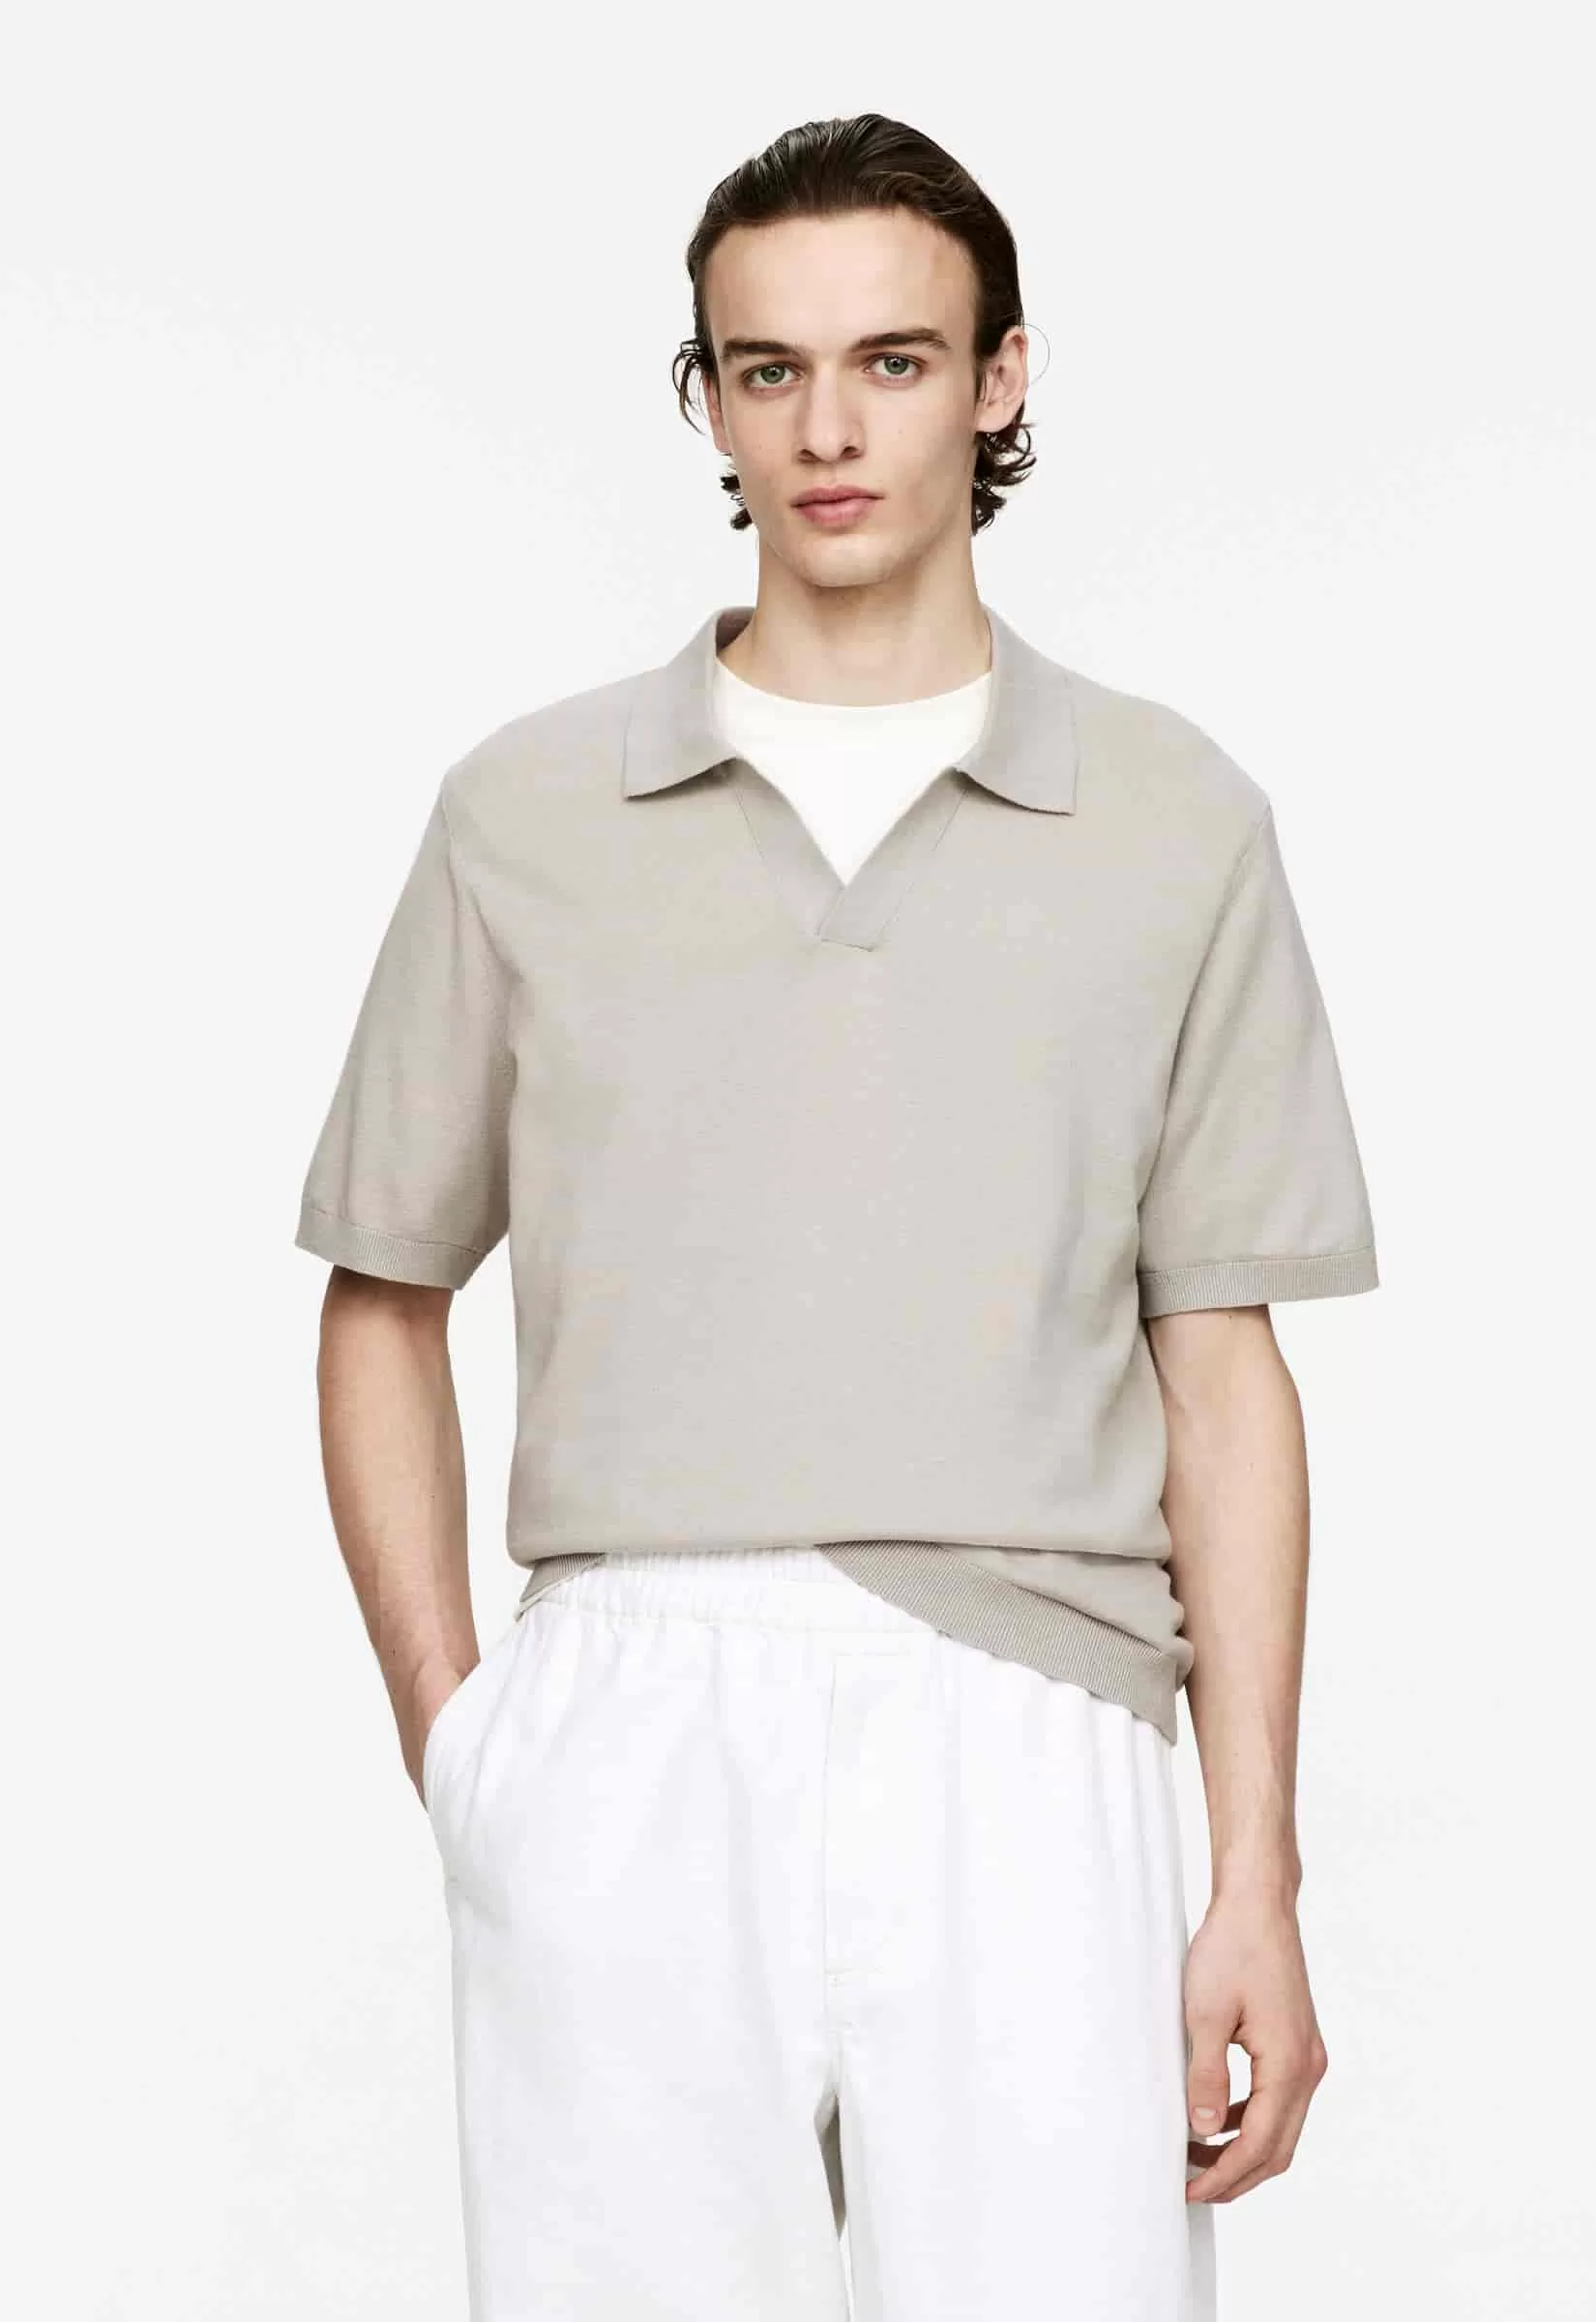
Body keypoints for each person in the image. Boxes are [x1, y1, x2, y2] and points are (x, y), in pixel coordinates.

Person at [294, 111, 1379, 2322]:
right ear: (706, 396)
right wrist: (464, 1744)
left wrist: (1253, 1865)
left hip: (1034, 1713)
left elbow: (1222, 1361)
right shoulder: (527, 812)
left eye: (893, 360)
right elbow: (380, 1293)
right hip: (628, 1710)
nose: (828, 427)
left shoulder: (1173, 820)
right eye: (766, 369)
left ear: (998, 380)